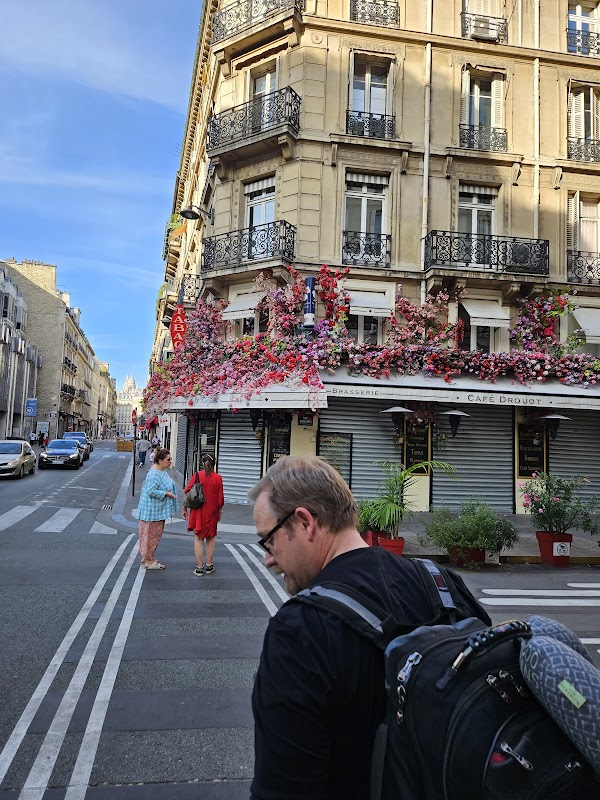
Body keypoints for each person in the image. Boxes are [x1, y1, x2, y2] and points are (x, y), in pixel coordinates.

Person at [248, 456, 491, 800]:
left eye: (268, 540)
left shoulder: (299, 632)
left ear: (305, 522)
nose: (268, 559)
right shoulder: (442, 585)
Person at [135, 448, 178, 570]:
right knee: (152, 536)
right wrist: (166, 493)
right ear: (160, 460)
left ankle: (147, 557)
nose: (170, 462)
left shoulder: (160, 470)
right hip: (152, 512)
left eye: (171, 459)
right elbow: (151, 491)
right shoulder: (155, 473)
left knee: (148, 535)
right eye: (168, 460)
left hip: (154, 511)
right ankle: (149, 560)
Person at [183, 453, 224, 576]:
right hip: (212, 512)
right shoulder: (218, 478)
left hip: (198, 511)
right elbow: (220, 499)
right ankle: (209, 565)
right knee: (211, 538)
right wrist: (219, 512)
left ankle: (199, 567)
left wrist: (184, 508)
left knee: (198, 538)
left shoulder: (197, 475)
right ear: (214, 464)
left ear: (202, 463)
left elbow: (188, 492)